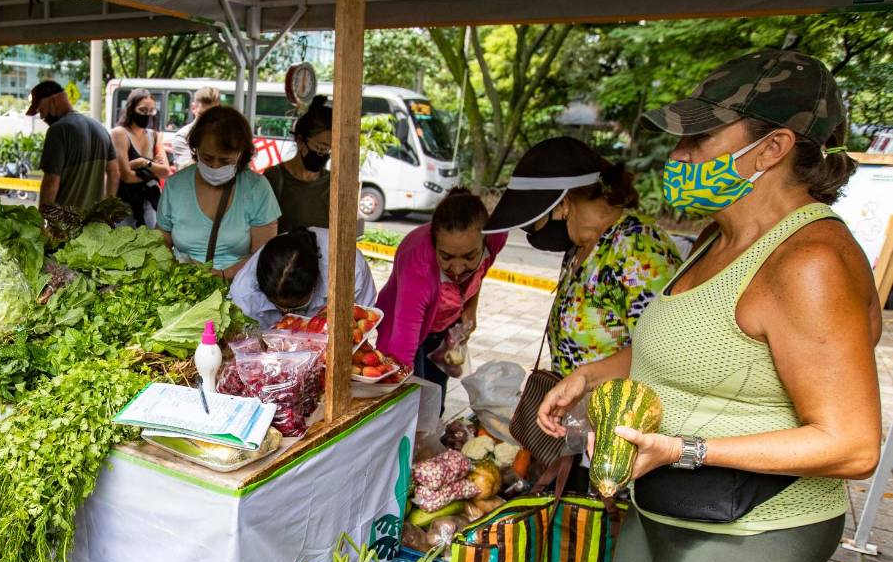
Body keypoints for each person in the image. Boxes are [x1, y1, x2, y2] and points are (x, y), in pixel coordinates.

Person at [537, 50, 881, 562]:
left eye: (699, 139)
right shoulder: (717, 235)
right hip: (665, 492)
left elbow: (852, 443)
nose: (680, 156)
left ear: (770, 148)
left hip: (751, 523)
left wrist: (685, 448)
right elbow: (678, 343)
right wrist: (589, 374)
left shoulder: (811, 260)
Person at [485, 137, 682, 377]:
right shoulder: (579, 248)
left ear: (561, 203)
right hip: (574, 410)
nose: (531, 232)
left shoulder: (638, 249)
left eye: (531, 223)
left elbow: (662, 350)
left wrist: (584, 380)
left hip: (619, 410)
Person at [375, 188, 505, 407]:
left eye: (469, 256)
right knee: (412, 403)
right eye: (446, 257)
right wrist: (397, 413)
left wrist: (470, 306)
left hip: (442, 327)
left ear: (484, 244)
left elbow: (480, 273)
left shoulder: (496, 237)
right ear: (434, 245)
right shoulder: (418, 265)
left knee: (435, 404)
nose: (457, 268)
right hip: (402, 328)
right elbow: (402, 352)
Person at [157, 106, 280, 277]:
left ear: (241, 154)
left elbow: (263, 255)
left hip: (238, 290)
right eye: (207, 158)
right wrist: (175, 270)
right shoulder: (175, 186)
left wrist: (222, 276)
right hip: (182, 286)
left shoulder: (257, 188)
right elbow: (160, 241)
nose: (215, 166)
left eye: (225, 160)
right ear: (195, 149)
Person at [230, 227, 376, 329]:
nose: (287, 315)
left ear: (316, 281)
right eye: (277, 307)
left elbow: (363, 321)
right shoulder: (244, 292)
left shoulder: (349, 269)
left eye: (295, 307)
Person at [29, 80, 118, 213]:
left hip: (66, 225)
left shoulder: (58, 130)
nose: (41, 116)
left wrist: (42, 220)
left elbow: (51, 180)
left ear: (53, 100)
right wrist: (108, 211)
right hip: (95, 225)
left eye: (41, 109)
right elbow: (114, 172)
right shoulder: (100, 128)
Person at [263, 96, 332, 233]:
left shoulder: (332, 182)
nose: (325, 154)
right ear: (300, 141)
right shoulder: (274, 179)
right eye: (321, 148)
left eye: (330, 149)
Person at [110, 89, 168, 228]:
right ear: (131, 109)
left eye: (151, 111)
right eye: (142, 110)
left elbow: (165, 172)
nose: (147, 115)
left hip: (149, 206)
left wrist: (143, 163)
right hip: (123, 206)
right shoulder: (120, 133)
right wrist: (153, 172)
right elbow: (126, 176)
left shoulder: (154, 135)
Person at [172, 86, 220, 169]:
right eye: (203, 115)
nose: (208, 119)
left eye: (213, 114)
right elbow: (186, 169)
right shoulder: (183, 136)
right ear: (193, 108)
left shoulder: (228, 134)